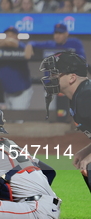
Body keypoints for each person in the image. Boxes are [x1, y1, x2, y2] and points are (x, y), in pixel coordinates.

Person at [39, 51, 91, 193]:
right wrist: (86, 150)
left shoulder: (86, 96)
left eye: (56, 74)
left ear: (72, 77)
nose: (51, 78)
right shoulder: (80, 95)